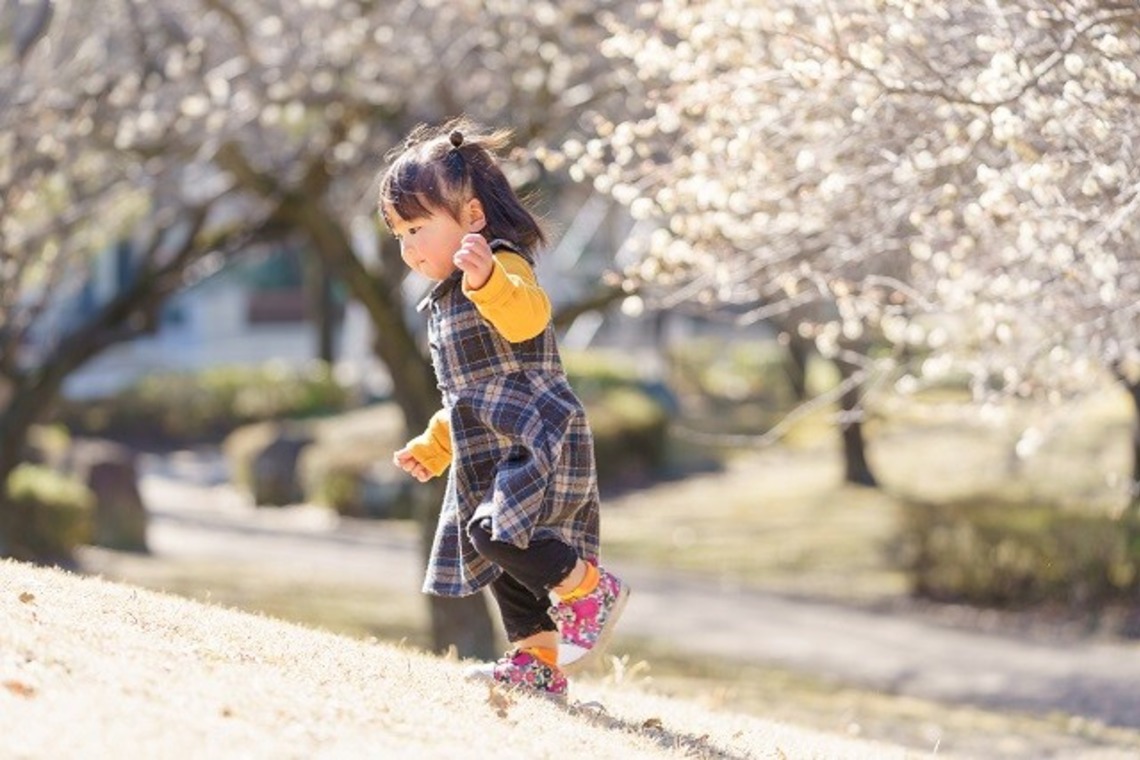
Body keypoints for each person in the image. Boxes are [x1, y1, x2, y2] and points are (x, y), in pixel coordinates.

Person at [378, 118, 630, 701]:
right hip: (493, 443)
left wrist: (488, 279)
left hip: (538, 433)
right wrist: (435, 446)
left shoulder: (502, 263)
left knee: (495, 534)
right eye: (398, 236)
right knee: (496, 554)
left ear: (471, 217)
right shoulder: (443, 299)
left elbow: (527, 318)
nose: (409, 248)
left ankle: (588, 588)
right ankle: (537, 662)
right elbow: (468, 397)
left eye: (418, 228)